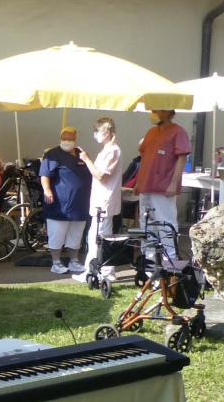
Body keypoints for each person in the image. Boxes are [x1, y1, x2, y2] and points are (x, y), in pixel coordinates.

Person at [134, 110, 190, 271]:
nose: (152, 113)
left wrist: (173, 183)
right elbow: (144, 157)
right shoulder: (151, 132)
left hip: (163, 186)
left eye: (155, 110)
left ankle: (170, 262)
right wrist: (139, 181)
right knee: (146, 224)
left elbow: (182, 158)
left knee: (165, 223)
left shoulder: (178, 131)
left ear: (166, 112)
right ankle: (149, 263)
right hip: (146, 185)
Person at [72, 118, 122, 283]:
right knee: (100, 237)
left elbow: (101, 175)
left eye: (97, 131)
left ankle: (95, 271)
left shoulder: (112, 151)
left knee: (98, 238)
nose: (95, 134)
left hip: (104, 201)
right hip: (101, 200)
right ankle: (104, 270)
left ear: (106, 132)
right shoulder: (107, 150)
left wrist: (86, 159)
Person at [40, 127, 92, 275]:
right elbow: (45, 175)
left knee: (76, 234)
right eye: (64, 138)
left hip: (80, 204)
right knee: (57, 233)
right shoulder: (53, 154)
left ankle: (74, 261)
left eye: (70, 138)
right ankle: (56, 262)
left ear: (75, 139)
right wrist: (47, 190)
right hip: (59, 204)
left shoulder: (81, 154)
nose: (67, 141)